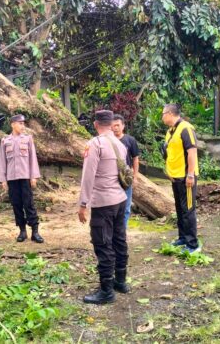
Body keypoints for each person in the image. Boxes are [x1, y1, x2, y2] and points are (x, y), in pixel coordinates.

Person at [78, 110, 129, 305]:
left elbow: (88, 176)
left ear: (96, 124)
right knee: (119, 239)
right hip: (119, 199)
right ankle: (121, 281)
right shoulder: (119, 143)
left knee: (103, 243)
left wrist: (83, 204)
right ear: (111, 124)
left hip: (104, 202)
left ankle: (106, 291)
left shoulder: (95, 144)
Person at [161, 104, 201, 253]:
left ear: (170, 113)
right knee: (179, 209)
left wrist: (190, 174)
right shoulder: (170, 131)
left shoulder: (186, 128)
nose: (162, 117)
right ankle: (183, 237)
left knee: (188, 210)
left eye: (163, 114)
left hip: (186, 177)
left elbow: (192, 152)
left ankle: (193, 244)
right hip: (175, 177)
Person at [0, 114, 44, 243]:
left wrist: (34, 176)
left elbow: (32, 159)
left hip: (25, 177)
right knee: (16, 204)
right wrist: (3, 179)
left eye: (23, 123)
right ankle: (22, 231)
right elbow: (2, 161)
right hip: (12, 178)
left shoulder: (28, 139)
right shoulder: (5, 141)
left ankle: (35, 231)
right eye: (20, 123)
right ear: (13, 124)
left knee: (29, 204)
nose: (23, 126)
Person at [112, 114, 140, 227]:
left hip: (126, 178)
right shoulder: (108, 140)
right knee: (113, 206)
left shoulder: (130, 140)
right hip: (112, 178)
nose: (115, 128)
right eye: (113, 126)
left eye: (118, 125)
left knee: (126, 206)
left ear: (123, 126)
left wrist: (135, 177)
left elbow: (135, 159)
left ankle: (122, 230)